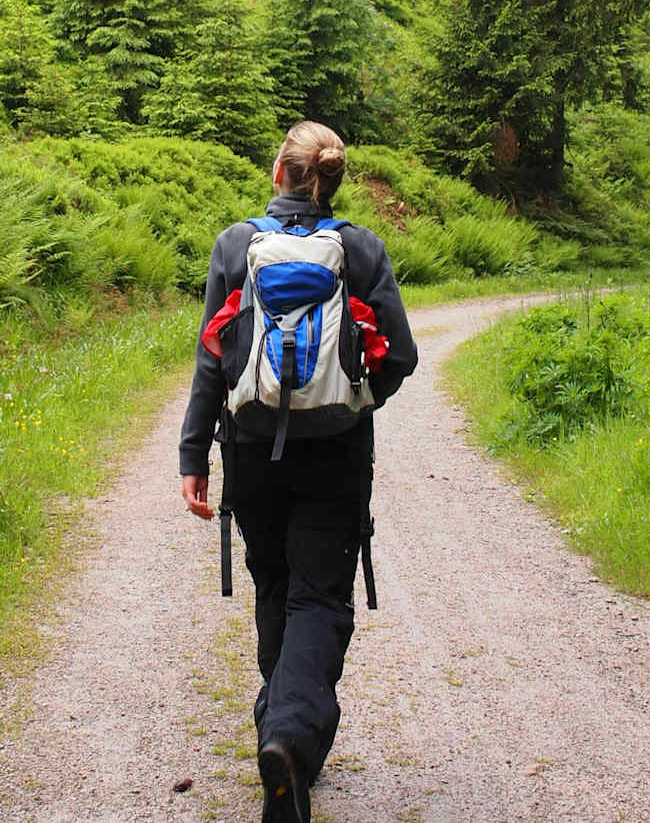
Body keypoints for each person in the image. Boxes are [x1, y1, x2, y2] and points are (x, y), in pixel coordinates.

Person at [178, 121, 418, 822]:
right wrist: (355, 400)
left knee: (277, 584)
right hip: (336, 455)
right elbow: (398, 355)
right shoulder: (360, 248)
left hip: (250, 449)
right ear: (331, 180)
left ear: (278, 172)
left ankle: (281, 738)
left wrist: (195, 456)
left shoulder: (235, 244)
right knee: (319, 598)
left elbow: (210, 359)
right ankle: (288, 736)